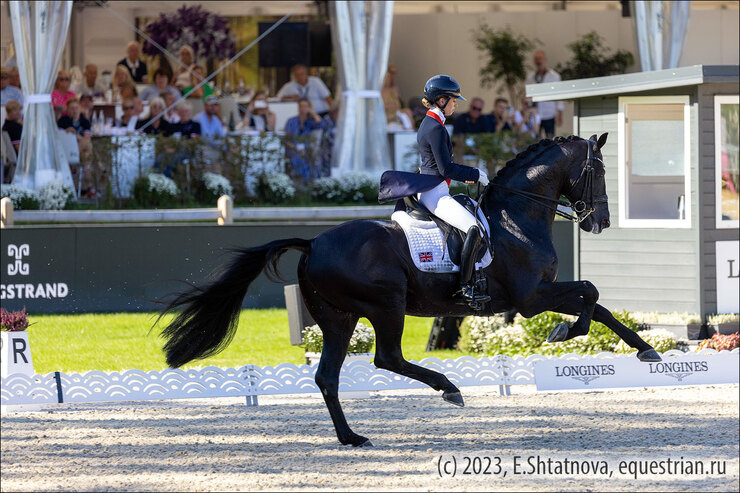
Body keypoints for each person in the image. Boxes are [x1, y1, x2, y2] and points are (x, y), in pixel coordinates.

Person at [416, 74, 490, 309]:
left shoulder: (432, 123)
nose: (456, 104)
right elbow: (445, 167)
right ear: (440, 100)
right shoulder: (435, 128)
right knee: (474, 229)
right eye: (453, 100)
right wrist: (475, 174)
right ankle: (465, 287)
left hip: (433, 187)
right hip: (434, 193)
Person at [525, 50, 563, 138]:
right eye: (536, 59)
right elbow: (528, 96)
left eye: (540, 58)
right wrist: (528, 110)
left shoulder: (554, 76)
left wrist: (560, 114)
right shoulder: (530, 77)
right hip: (535, 114)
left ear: (545, 60)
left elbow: (559, 96)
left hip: (549, 113)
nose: (538, 61)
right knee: (534, 140)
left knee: (550, 139)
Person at [284, 98, 323, 178]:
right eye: (301, 106)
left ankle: (310, 183)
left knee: (312, 158)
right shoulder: (291, 121)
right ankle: (300, 181)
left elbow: (321, 124)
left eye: (305, 106)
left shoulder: (311, 121)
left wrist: (313, 113)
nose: (302, 108)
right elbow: (286, 138)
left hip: (307, 149)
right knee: (297, 158)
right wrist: (295, 148)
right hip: (293, 149)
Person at [382, 64, 415, 130]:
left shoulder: (392, 91)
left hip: (395, 111)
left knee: (407, 112)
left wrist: (394, 106)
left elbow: (398, 104)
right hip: (386, 112)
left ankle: (411, 131)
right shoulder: (379, 92)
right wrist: (390, 106)